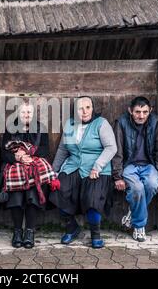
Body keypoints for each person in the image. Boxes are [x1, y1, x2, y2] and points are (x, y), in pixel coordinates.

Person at [50, 96, 117, 248]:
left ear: (92, 109)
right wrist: (53, 172)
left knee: (93, 198)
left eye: (88, 107)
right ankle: (72, 227)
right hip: (73, 167)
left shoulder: (101, 123)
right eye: (81, 108)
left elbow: (111, 147)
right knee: (57, 189)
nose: (84, 111)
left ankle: (95, 234)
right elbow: (62, 150)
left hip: (96, 170)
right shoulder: (69, 125)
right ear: (76, 111)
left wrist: (97, 166)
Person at [0, 102, 60, 249]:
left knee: (32, 190)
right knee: (16, 192)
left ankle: (29, 231)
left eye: (29, 113)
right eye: (23, 113)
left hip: (35, 166)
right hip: (15, 166)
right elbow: (3, 152)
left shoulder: (41, 128)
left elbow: (45, 150)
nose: (26, 115)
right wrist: (17, 158)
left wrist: (27, 155)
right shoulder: (11, 128)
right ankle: (17, 231)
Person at [112, 96, 158, 242]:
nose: (141, 116)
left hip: (149, 166)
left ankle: (132, 213)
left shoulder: (156, 122)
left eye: (145, 112)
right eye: (137, 112)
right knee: (137, 189)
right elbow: (117, 150)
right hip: (129, 165)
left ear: (151, 111)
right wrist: (117, 176)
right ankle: (139, 226)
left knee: (152, 184)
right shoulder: (121, 123)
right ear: (130, 110)